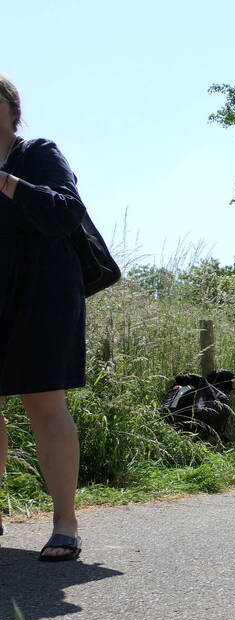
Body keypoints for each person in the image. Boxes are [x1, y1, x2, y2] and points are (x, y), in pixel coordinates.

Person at [0, 75, 87, 561]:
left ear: (13, 110)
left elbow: (65, 212)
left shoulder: (38, 153)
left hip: (43, 294)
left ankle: (65, 524)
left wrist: (4, 180)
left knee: (42, 402)